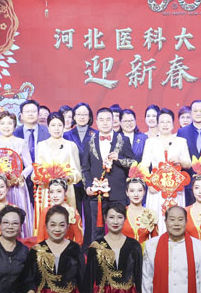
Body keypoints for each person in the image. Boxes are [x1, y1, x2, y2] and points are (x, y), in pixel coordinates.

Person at [81, 107, 137, 245]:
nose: (105, 123)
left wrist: (119, 158)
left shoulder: (123, 139)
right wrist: (88, 186)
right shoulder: (89, 141)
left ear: (113, 121)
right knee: (96, 231)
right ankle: (98, 257)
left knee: (120, 228)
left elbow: (133, 163)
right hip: (97, 194)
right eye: (101, 119)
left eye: (108, 119)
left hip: (117, 192)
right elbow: (85, 168)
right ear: (96, 122)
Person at [142, 108, 191, 233]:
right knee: (156, 218)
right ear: (157, 124)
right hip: (156, 188)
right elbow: (144, 166)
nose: (165, 125)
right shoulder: (150, 142)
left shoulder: (181, 141)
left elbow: (188, 163)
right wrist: (149, 183)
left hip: (176, 188)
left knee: (175, 217)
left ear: (173, 124)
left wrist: (180, 160)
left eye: (168, 122)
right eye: (162, 122)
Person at [34, 112, 82, 220]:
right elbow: (36, 170)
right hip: (46, 191)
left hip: (65, 191)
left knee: (66, 220)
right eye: (53, 125)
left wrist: (69, 178)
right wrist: (39, 177)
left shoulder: (71, 146)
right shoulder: (41, 146)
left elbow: (77, 172)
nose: (56, 128)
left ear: (64, 127)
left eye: (59, 125)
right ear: (48, 127)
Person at [64, 102, 97, 232]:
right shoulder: (66, 135)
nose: (82, 117)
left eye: (85, 114)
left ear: (89, 116)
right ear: (74, 116)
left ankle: (89, 241)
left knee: (91, 216)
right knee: (74, 214)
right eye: (79, 114)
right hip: (73, 181)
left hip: (91, 180)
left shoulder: (96, 134)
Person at [35, 179, 84, 244]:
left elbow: (79, 239)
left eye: (59, 191)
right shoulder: (45, 211)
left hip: (67, 249)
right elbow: (40, 238)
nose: (55, 195)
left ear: (65, 192)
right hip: (48, 249)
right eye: (52, 192)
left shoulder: (72, 212)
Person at [121, 168, 159, 245]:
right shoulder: (121, 212)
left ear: (144, 192)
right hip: (124, 251)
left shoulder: (151, 214)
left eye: (140, 190)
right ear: (127, 193)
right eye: (132, 191)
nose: (136, 194)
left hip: (145, 251)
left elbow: (155, 241)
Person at [14, 99, 50, 164]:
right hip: (21, 169)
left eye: (33, 111)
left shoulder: (48, 132)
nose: (30, 114)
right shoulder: (15, 133)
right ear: (21, 115)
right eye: (27, 111)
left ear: (38, 114)